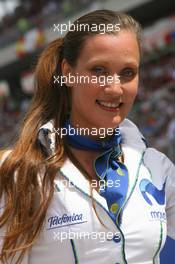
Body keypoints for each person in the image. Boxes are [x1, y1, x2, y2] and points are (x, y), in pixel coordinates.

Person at [0, 9, 175, 264]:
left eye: (128, 73)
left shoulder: (158, 168)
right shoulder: (19, 173)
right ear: (68, 73)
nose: (115, 89)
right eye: (99, 70)